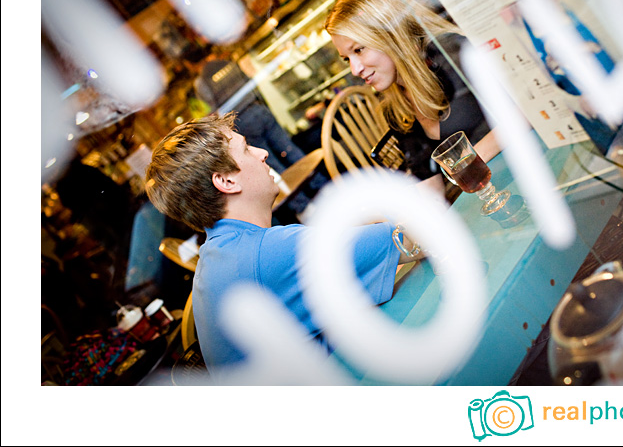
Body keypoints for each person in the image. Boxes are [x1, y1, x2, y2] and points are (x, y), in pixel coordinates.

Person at [145, 112, 423, 372]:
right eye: (246, 149)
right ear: (227, 181)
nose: (263, 153)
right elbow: (416, 239)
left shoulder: (223, 253)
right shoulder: (268, 254)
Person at [324, 0, 500, 193]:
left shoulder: (448, 53)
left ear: (389, 34)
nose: (355, 69)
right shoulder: (393, 104)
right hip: (481, 195)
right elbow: (425, 175)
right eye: (347, 59)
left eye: (359, 50)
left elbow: (527, 112)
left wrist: (463, 169)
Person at [194, 59, 329, 220]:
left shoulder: (201, 82)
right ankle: (324, 188)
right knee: (291, 150)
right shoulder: (227, 63)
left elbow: (212, 111)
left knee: (273, 166)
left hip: (240, 121)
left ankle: (304, 207)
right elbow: (251, 84)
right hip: (257, 108)